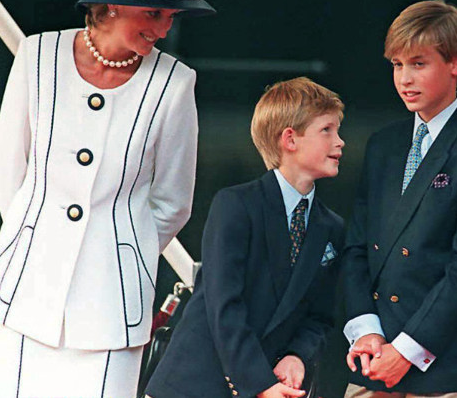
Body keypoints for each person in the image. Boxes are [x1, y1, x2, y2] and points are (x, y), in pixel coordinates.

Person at [0, 0, 214, 396]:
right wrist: (36, 239)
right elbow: (7, 171)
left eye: (171, 16)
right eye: (154, 14)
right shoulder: (37, 57)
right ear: (111, 5)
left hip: (112, 306)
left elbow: (173, 202)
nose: (164, 30)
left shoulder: (175, 83)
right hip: (28, 291)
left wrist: (119, 254)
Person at [342, 0, 457, 396]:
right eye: (397, 65)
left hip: (443, 363)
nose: (405, 78)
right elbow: (356, 248)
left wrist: (405, 351)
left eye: (419, 63)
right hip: (373, 356)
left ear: (455, 63)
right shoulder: (382, 145)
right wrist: (365, 330)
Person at [145, 77, 346, 398]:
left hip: (271, 384)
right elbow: (224, 305)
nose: (340, 142)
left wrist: (297, 355)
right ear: (290, 139)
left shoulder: (332, 227)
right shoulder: (236, 205)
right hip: (196, 385)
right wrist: (259, 384)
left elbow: (320, 316)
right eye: (327, 130)